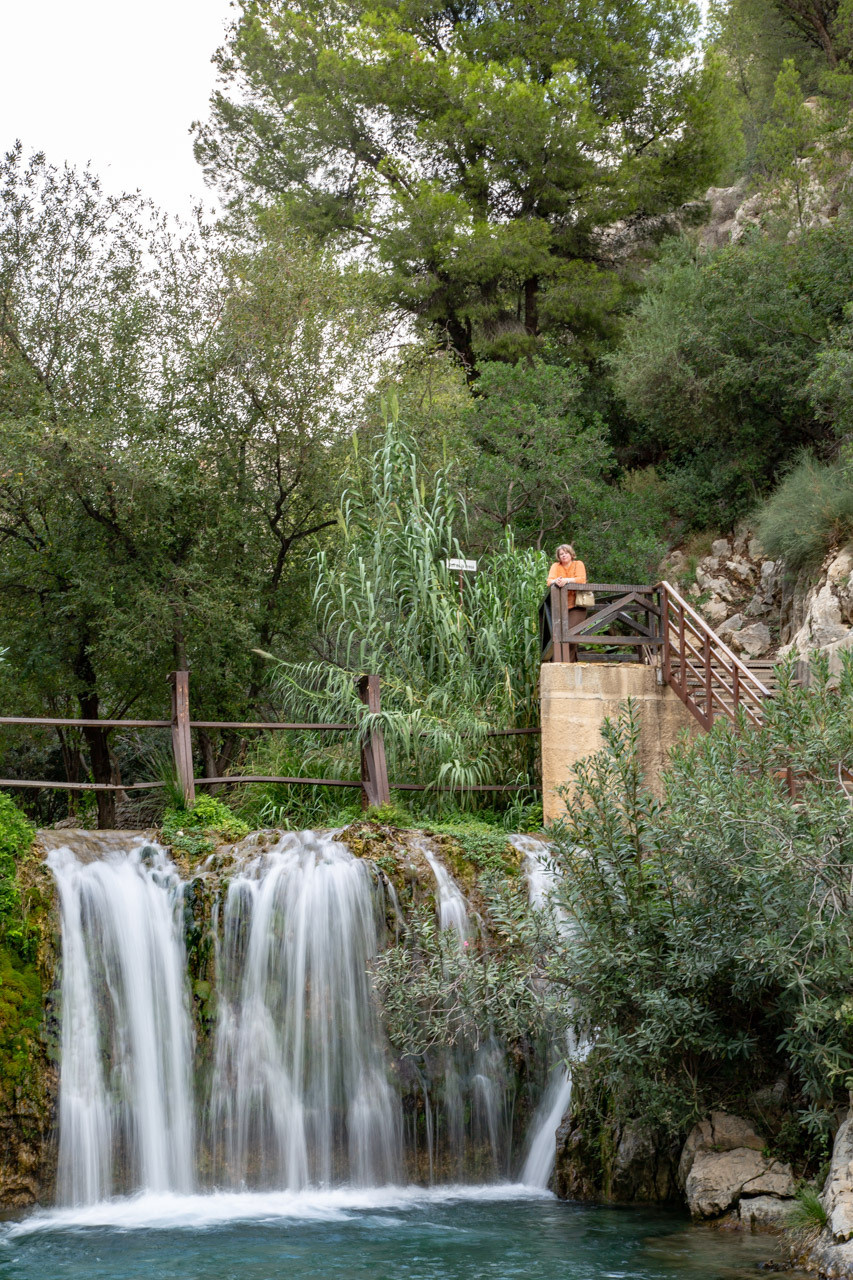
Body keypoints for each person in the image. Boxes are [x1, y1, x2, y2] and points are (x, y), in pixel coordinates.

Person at [547, 543, 588, 661]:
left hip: (577, 606)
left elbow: (581, 580)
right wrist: (557, 581)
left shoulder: (578, 564)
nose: (563, 555)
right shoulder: (556, 566)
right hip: (560, 606)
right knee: (558, 636)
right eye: (561, 554)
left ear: (571, 554)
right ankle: (569, 663)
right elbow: (549, 582)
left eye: (566, 553)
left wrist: (566, 581)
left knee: (571, 634)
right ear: (558, 557)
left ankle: (565, 662)